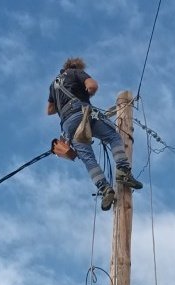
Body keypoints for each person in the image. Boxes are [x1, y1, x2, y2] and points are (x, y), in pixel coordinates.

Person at [47, 57, 143, 211]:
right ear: (75, 66)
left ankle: (104, 189)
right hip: (82, 113)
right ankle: (123, 170)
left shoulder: (53, 85)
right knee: (113, 135)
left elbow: (49, 110)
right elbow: (92, 86)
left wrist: (62, 103)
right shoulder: (75, 72)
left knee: (88, 158)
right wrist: (85, 94)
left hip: (68, 126)